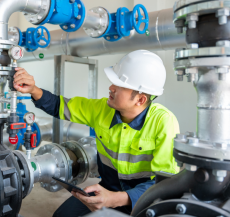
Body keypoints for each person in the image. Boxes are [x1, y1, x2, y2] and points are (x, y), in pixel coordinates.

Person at [13, 50, 180, 216]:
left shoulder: (163, 122)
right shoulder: (102, 109)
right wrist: (33, 89)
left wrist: (116, 199)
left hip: (144, 198)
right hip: (107, 188)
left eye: (119, 85)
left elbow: (163, 183)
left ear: (140, 99)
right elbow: (60, 106)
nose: (111, 88)